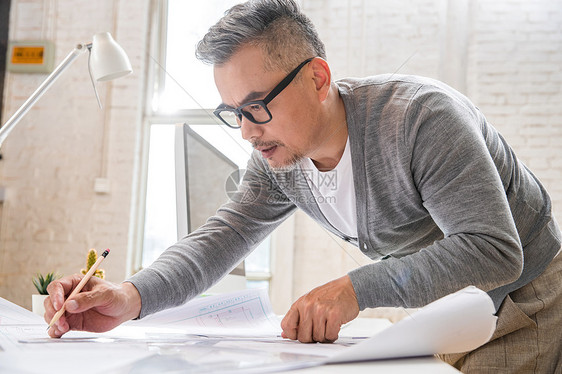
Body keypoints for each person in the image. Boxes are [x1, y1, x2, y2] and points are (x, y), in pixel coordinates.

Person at [45, 0, 562, 372]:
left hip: (526, 300)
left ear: (317, 78)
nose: (247, 131)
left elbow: (495, 250)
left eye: (257, 106)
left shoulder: (422, 120)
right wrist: (129, 296)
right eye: (233, 113)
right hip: (453, 309)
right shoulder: (280, 159)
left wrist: (354, 289)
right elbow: (220, 239)